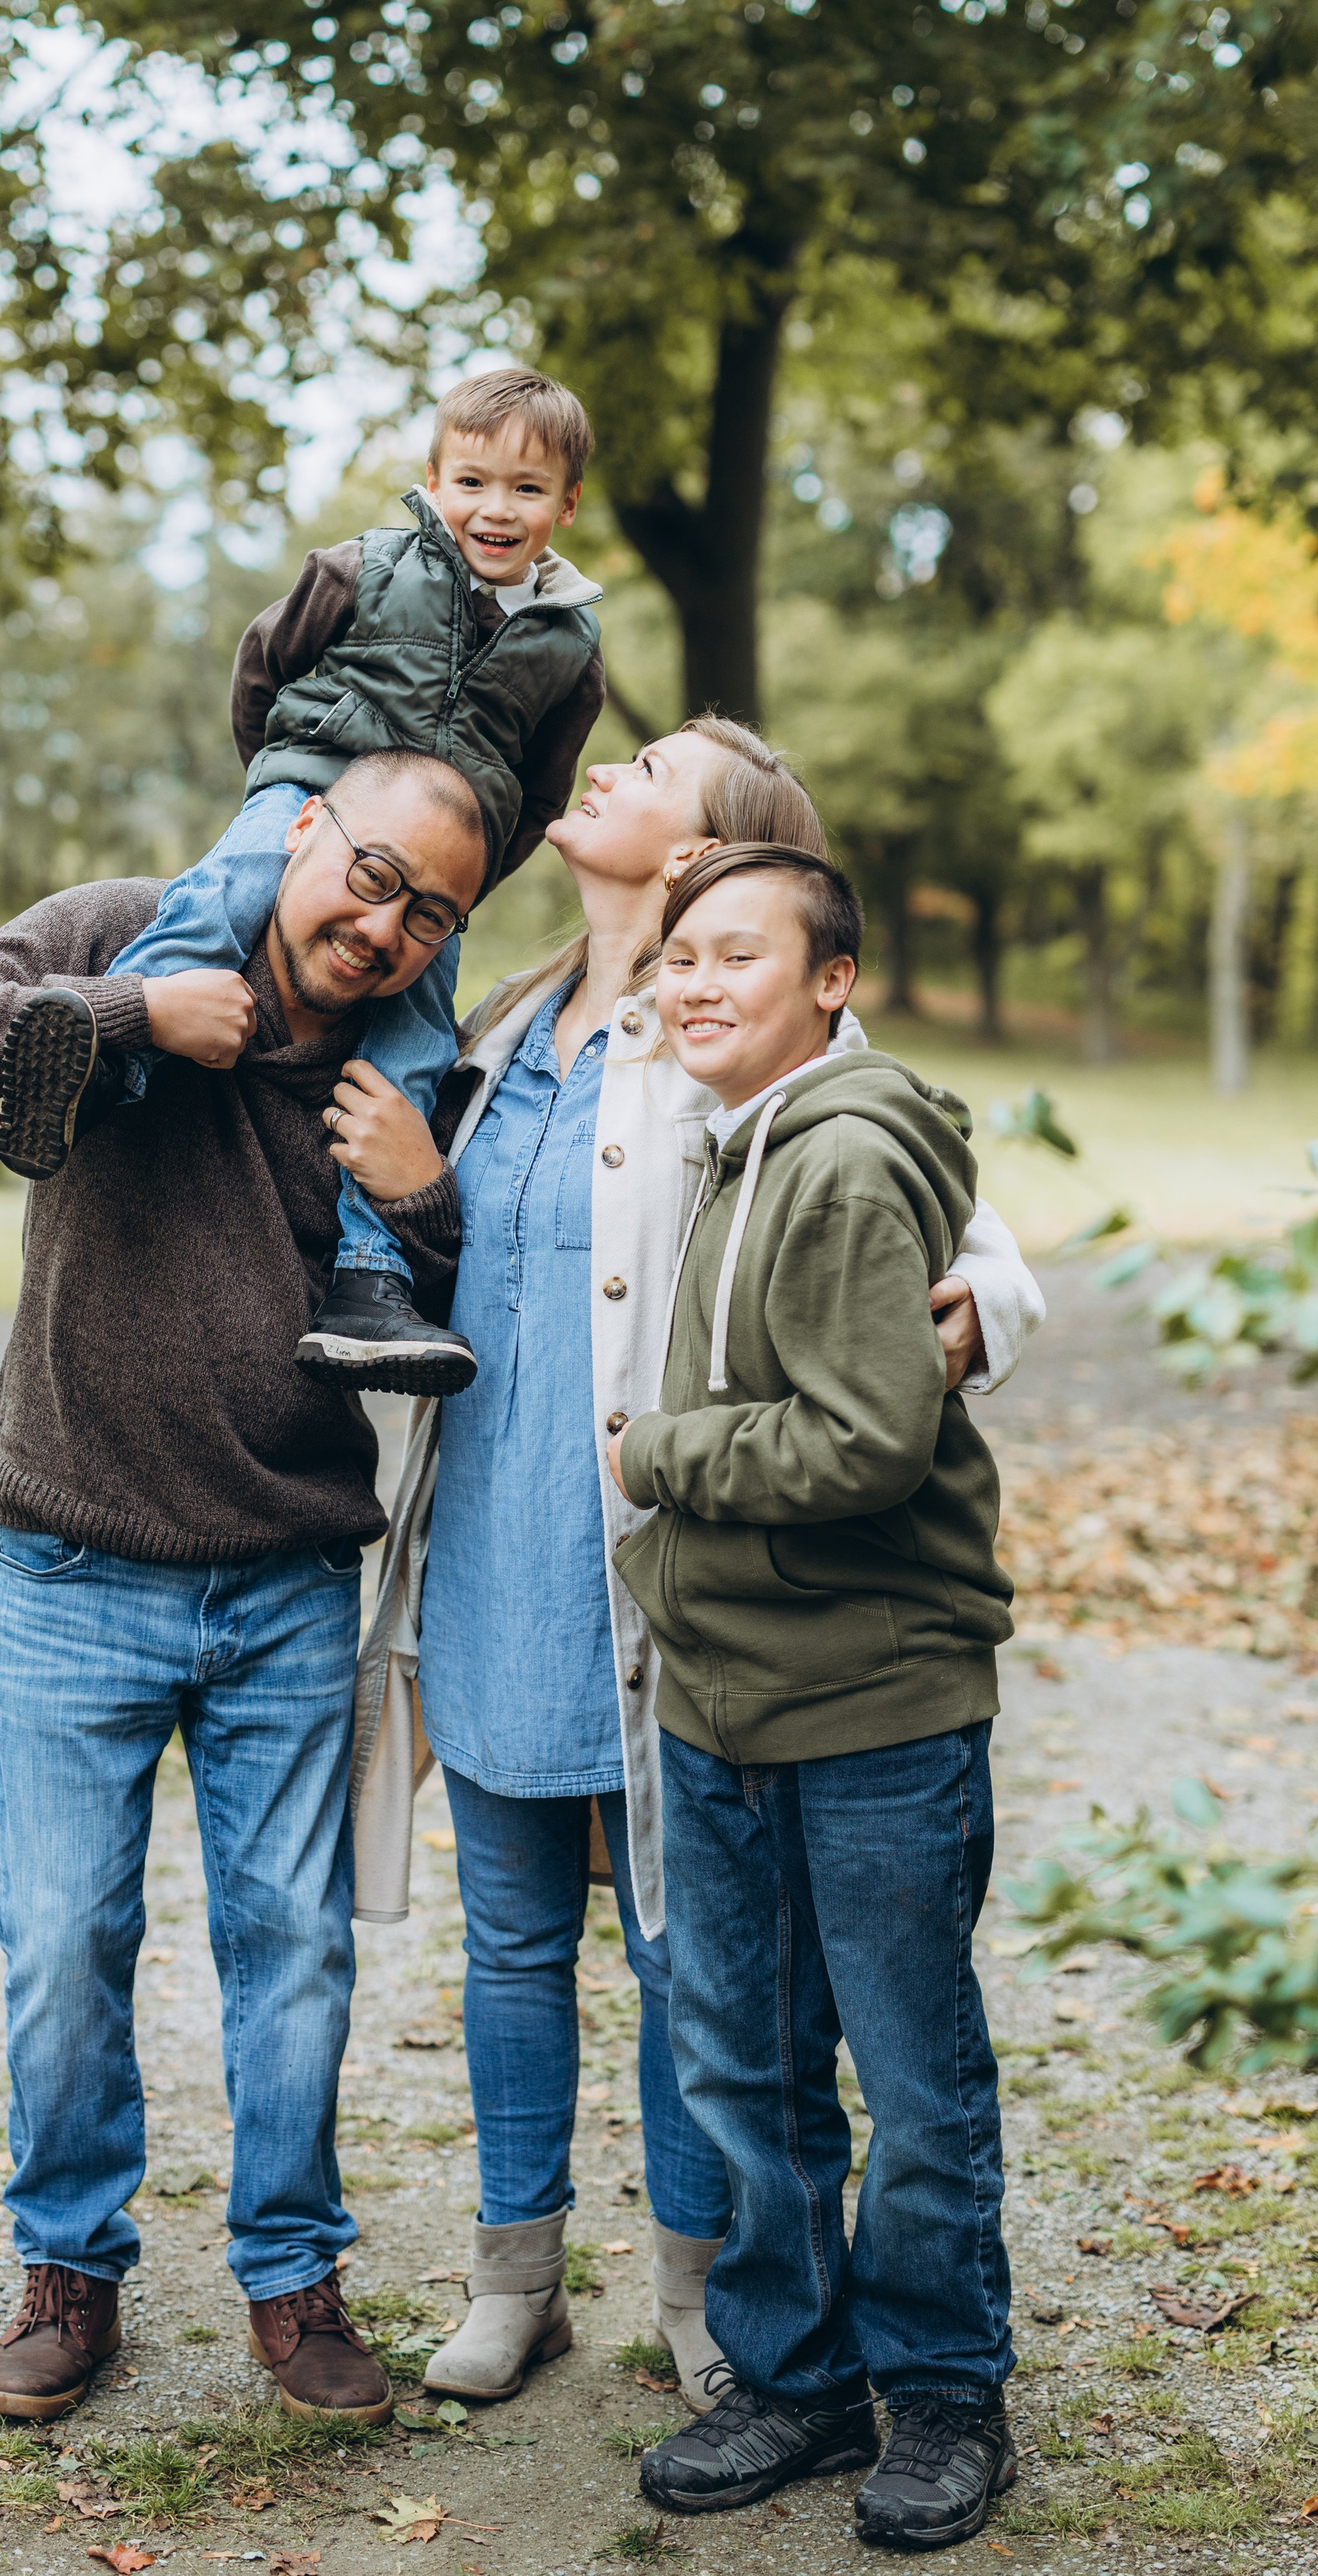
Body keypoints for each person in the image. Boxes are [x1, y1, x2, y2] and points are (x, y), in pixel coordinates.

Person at [338, 723, 1042, 2413]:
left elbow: (963, 1232)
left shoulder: (745, 1027)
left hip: (665, 1551)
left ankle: (701, 2282)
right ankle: (516, 2275)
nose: (601, 768)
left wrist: (973, 1323)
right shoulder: (498, 1027)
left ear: (710, 850)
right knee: (508, 1936)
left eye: (650, 764)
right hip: (494, 1529)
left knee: (684, 1953)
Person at [0, 750, 489, 2430]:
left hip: (283, 1577)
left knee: (295, 1950)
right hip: (72, 1561)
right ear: (300, 833)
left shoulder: (407, 1061)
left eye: (430, 911)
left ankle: (294, 2279)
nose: (384, 924)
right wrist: (136, 1021)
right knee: (65, 1940)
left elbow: (458, 1314)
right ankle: (68, 2274)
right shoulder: (129, 929)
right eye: (369, 873)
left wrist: (422, 1195)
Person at [609, 841, 1018, 2553]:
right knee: (748, 2064)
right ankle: (790, 2374)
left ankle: (938, 2394)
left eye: (736, 957)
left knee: (910, 2080)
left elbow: (863, 1442)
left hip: (869, 1705)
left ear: (829, 982)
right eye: (677, 956)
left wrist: (658, 1454)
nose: (693, 984)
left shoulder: (838, 1161)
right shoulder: (730, 1141)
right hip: (721, 1696)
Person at [0, 365, 607, 1401]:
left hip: (433, 870)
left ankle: (369, 1279)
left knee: (412, 1045)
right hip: (313, 791)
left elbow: (542, 793)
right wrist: (278, 783)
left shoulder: (570, 642)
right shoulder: (364, 567)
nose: (495, 510)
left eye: (527, 490)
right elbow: (263, 665)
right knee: (218, 900)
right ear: (433, 478)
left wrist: (463, 882)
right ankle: (110, 1062)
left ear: (568, 505)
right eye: (473, 481)